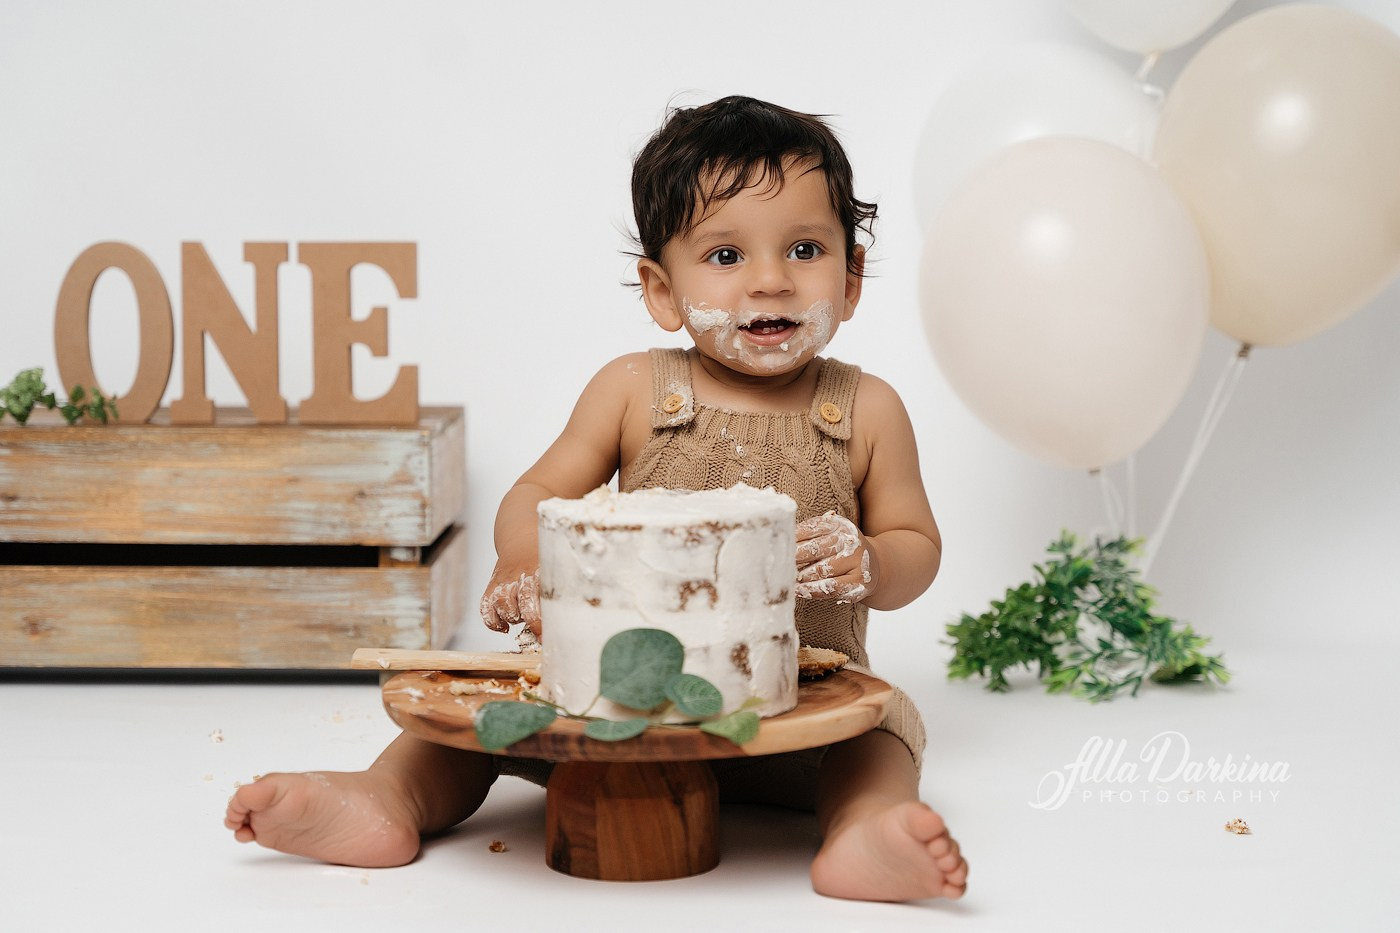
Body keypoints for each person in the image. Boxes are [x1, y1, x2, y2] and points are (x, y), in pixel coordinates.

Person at [225, 95, 967, 903]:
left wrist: (872, 560)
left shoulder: (868, 411)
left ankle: (863, 830)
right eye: (724, 255)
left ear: (851, 277)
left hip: (796, 712)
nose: (770, 279)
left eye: (803, 247)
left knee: (880, 736)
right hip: (619, 709)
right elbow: (538, 491)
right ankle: (386, 798)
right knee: (472, 724)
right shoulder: (633, 393)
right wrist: (521, 560)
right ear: (660, 288)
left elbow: (916, 545)